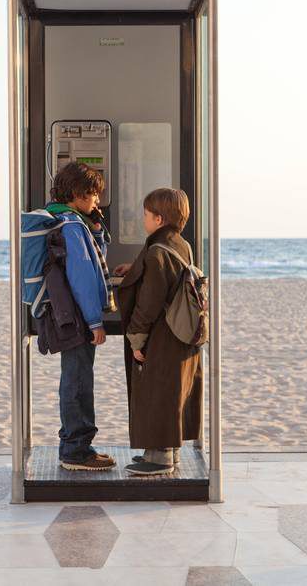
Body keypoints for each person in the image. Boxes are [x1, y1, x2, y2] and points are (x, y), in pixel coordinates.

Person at [113, 188, 203, 475]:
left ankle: (161, 457)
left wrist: (136, 338)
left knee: (157, 391)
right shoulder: (181, 244)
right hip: (183, 333)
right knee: (172, 392)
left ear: (159, 218)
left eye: (146, 215)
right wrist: (135, 268)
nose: (143, 220)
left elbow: (149, 302)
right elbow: (165, 275)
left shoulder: (156, 251)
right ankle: (166, 451)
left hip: (164, 335)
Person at [45, 162, 116, 471]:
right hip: (77, 316)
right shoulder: (72, 226)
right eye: (93, 195)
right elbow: (83, 277)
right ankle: (75, 450)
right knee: (77, 382)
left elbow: (92, 258)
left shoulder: (65, 218)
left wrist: (97, 230)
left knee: (76, 378)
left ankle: (77, 445)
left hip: (68, 313)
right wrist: (95, 322)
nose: (97, 201)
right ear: (77, 193)